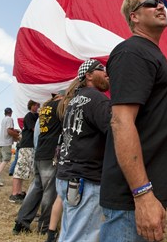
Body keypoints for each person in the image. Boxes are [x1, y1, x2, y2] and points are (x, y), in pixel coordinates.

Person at [99, 0, 167, 242]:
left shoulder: (148, 54)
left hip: (146, 192)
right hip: (132, 198)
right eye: (151, 3)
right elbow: (121, 122)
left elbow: (146, 103)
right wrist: (142, 194)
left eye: (160, 2)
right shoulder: (133, 52)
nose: (159, 6)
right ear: (134, 16)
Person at [56, 59, 111, 242]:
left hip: (67, 176)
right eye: (101, 69)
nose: (106, 73)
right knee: (82, 237)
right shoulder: (97, 99)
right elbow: (117, 131)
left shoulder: (73, 101)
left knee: (68, 233)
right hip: (85, 180)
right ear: (88, 75)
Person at [13, 93, 63, 236]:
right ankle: (45, 227)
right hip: (50, 154)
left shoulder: (45, 108)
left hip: (40, 152)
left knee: (36, 188)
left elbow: (37, 133)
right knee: (49, 192)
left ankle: (21, 222)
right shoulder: (60, 106)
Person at [10, 100, 40, 203]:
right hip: (27, 145)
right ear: (31, 106)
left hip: (31, 146)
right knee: (20, 168)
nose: (37, 107)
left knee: (23, 170)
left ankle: (19, 192)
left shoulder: (36, 116)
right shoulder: (29, 116)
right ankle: (14, 194)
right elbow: (34, 129)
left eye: (38, 105)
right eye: (35, 105)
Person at [0, 107, 20, 186]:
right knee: (6, 159)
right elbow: (9, 131)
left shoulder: (3, 119)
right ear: (11, 112)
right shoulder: (10, 119)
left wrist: (14, 131)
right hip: (6, 142)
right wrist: (18, 135)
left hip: (1, 142)